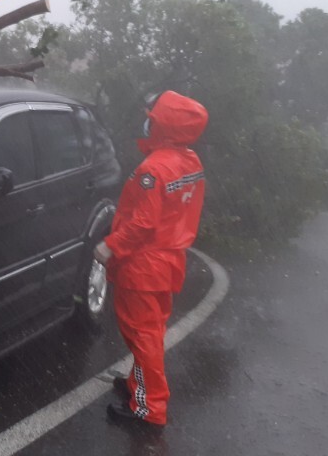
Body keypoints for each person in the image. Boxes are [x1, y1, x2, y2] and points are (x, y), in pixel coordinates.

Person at [94, 90, 209, 429]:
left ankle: (148, 408)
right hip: (169, 260)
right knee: (151, 331)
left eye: (153, 115)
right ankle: (137, 386)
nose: (147, 118)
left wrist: (110, 246)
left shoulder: (154, 169)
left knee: (142, 336)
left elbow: (143, 223)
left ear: (165, 124)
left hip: (144, 265)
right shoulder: (190, 161)